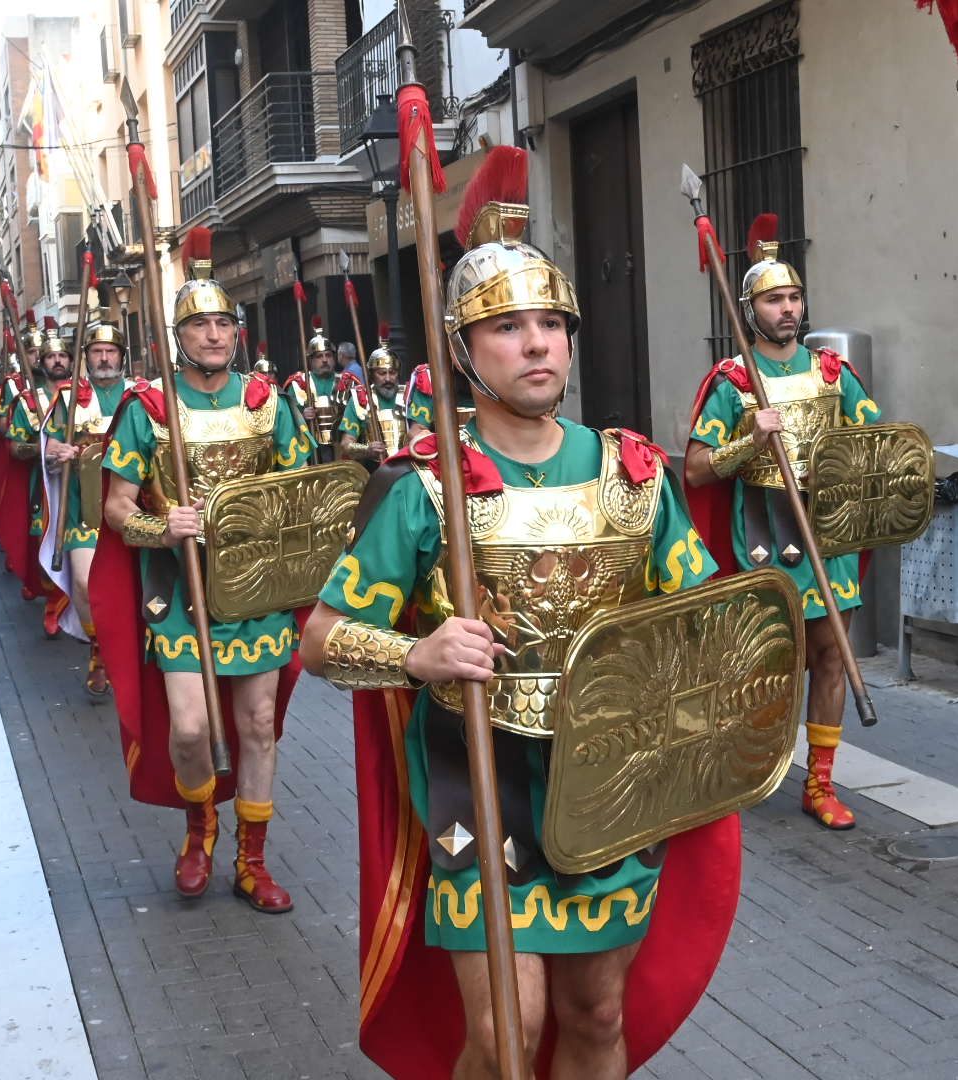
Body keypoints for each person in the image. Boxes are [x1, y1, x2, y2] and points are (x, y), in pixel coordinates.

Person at [299, 147, 746, 1079]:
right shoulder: (428, 490)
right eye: (506, 327)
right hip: (481, 778)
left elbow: (707, 617)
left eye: (551, 323)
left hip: (607, 779)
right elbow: (321, 640)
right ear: (464, 351)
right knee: (507, 1033)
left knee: (596, 1017)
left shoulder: (633, 473)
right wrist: (416, 654)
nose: (537, 343)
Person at [93, 227, 313, 914]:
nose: (213, 335)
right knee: (189, 728)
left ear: (236, 332)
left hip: (255, 590)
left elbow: (300, 496)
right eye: (199, 324)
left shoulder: (267, 404)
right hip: (179, 588)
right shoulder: (148, 409)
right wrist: (166, 525)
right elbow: (116, 509)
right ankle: (199, 834)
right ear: (178, 337)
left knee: (256, 726)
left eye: (223, 322)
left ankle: (252, 860)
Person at [684, 214, 882, 831]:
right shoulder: (733, 381)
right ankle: (749, 767)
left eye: (794, 296)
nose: (788, 308)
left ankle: (820, 783)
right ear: (751, 309)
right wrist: (748, 441)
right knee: (764, 665)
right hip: (764, 538)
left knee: (830, 658)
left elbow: (875, 443)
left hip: (828, 535)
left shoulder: (832, 375)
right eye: (774, 299)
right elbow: (694, 470)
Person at [39, 321, 128, 696]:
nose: (104, 357)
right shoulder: (68, 398)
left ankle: (129, 650)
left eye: (110, 351)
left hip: (133, 504)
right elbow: (50, 447)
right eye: (96, 351)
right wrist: (56, 452)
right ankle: (99, 649)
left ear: (122, 356)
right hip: (83, 508)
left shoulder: (142, 395)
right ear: (86, 357)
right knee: (83, 583)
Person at [7, 320, 74, 636]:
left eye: (62, 356)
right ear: (42, 363)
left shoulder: (85, 396)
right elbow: (15, 446)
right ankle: (53, 604)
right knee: (48, 544)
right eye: (50, 357)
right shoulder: (28, 402)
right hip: (46, 485)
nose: (57, 361)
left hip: (83, 482)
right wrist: (43, 448)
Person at [335, 325, 408, 465]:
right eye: (381, 373)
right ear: (372, 375)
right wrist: (367, 449)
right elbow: (346, 444)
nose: (388, 379)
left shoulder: (408, 396)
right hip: (374, 468)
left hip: (408, 466)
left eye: (392, 372)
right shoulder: (360, 399)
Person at [282, 319, 341, 462]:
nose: (325, 360)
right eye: (320, 356)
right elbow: (287, 418)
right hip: (311, 448)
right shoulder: (298, 384)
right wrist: (302, 415)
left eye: (328, 355)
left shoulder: (346, 381)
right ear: (311, 360)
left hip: (340, 446)